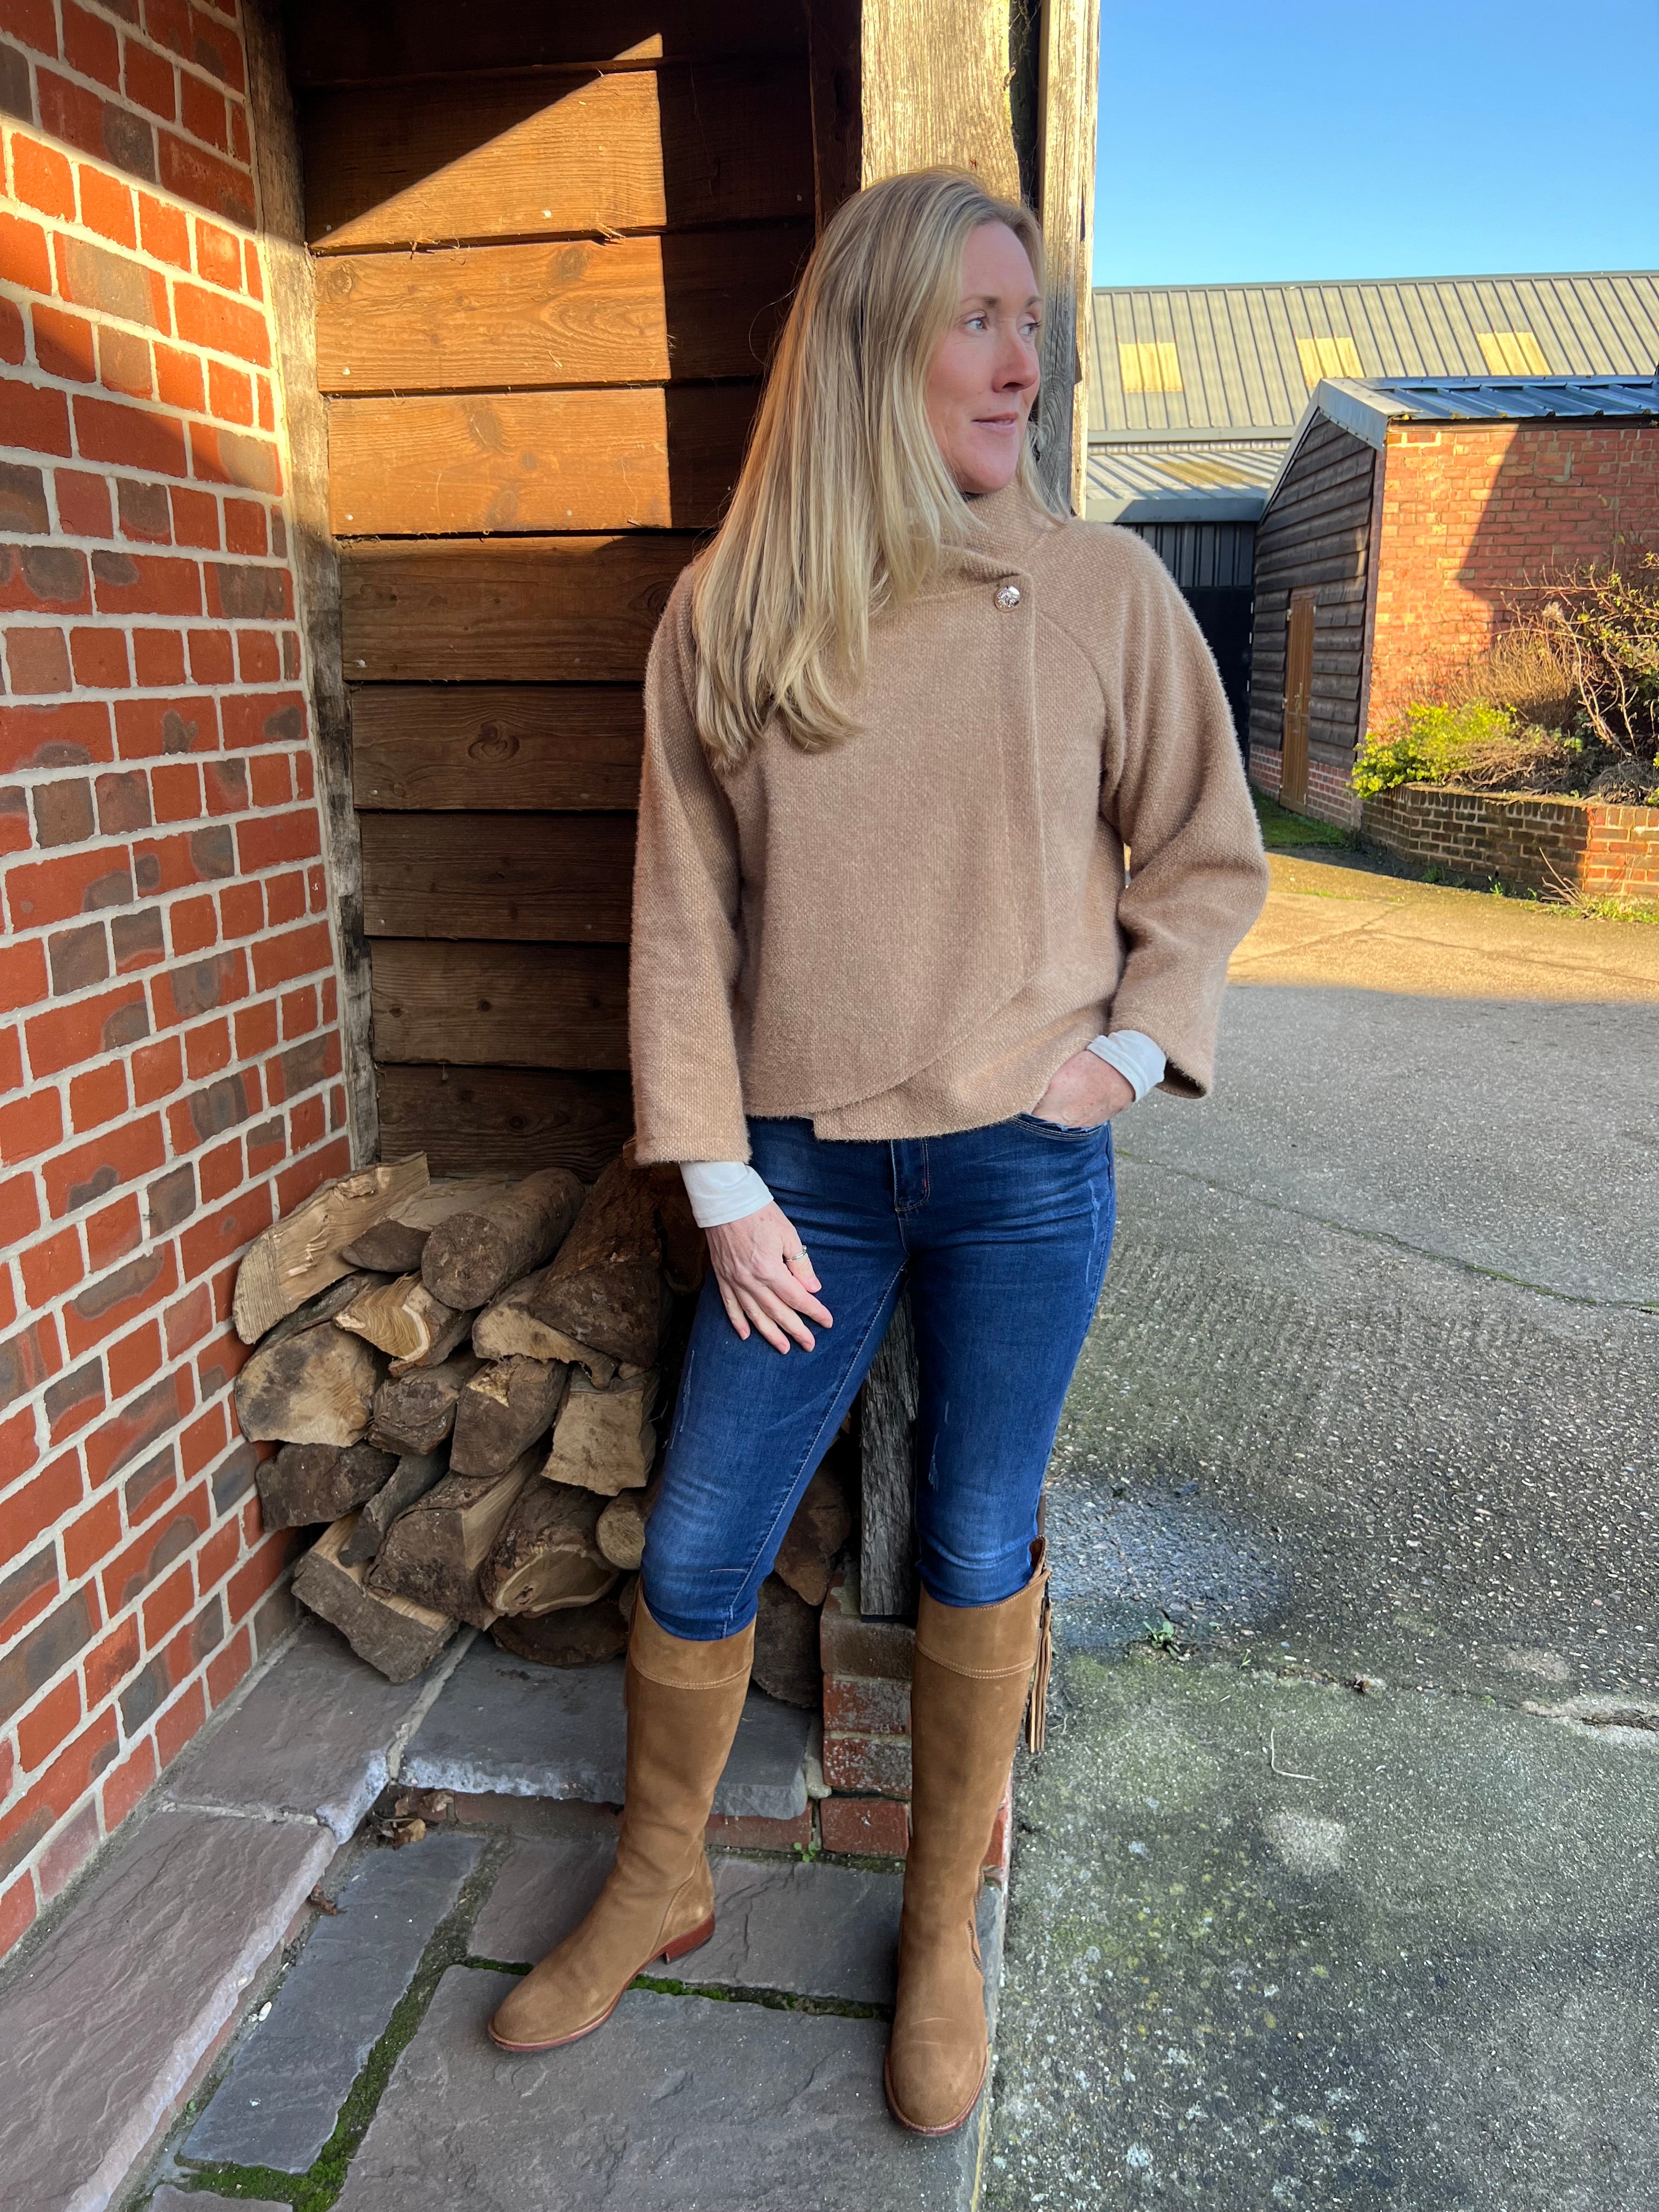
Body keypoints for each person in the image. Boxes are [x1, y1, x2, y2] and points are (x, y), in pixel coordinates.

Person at [488, 167, 1268, 2135]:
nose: (1024, 365)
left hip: (1024, 1167)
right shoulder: (736, 609)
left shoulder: (1103, 591)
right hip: (803, 1179)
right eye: (978, 322)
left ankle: (938, 1926)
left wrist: (1128, 1052)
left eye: (1033, 325)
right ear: (869, 345)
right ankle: (659, 1879)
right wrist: (720, 1178)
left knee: (976, 1542)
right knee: (698, 1545)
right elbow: (683, 919)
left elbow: (1206, 854)